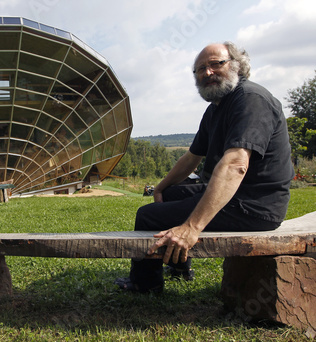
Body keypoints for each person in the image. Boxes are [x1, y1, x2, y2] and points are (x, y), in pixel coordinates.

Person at [115, 42, 294, 293]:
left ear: (237, 66)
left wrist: (192, 227)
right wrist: (161, 188)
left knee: (148, 216)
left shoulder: (250, 100)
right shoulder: (216, 108)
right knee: (168, 197)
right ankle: (179, 266)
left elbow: (236, 165)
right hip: (236, 198)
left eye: (215, 64)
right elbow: (191, 157)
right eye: (200, 69)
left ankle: (145, 284)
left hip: (254, 206)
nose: (207, 73)